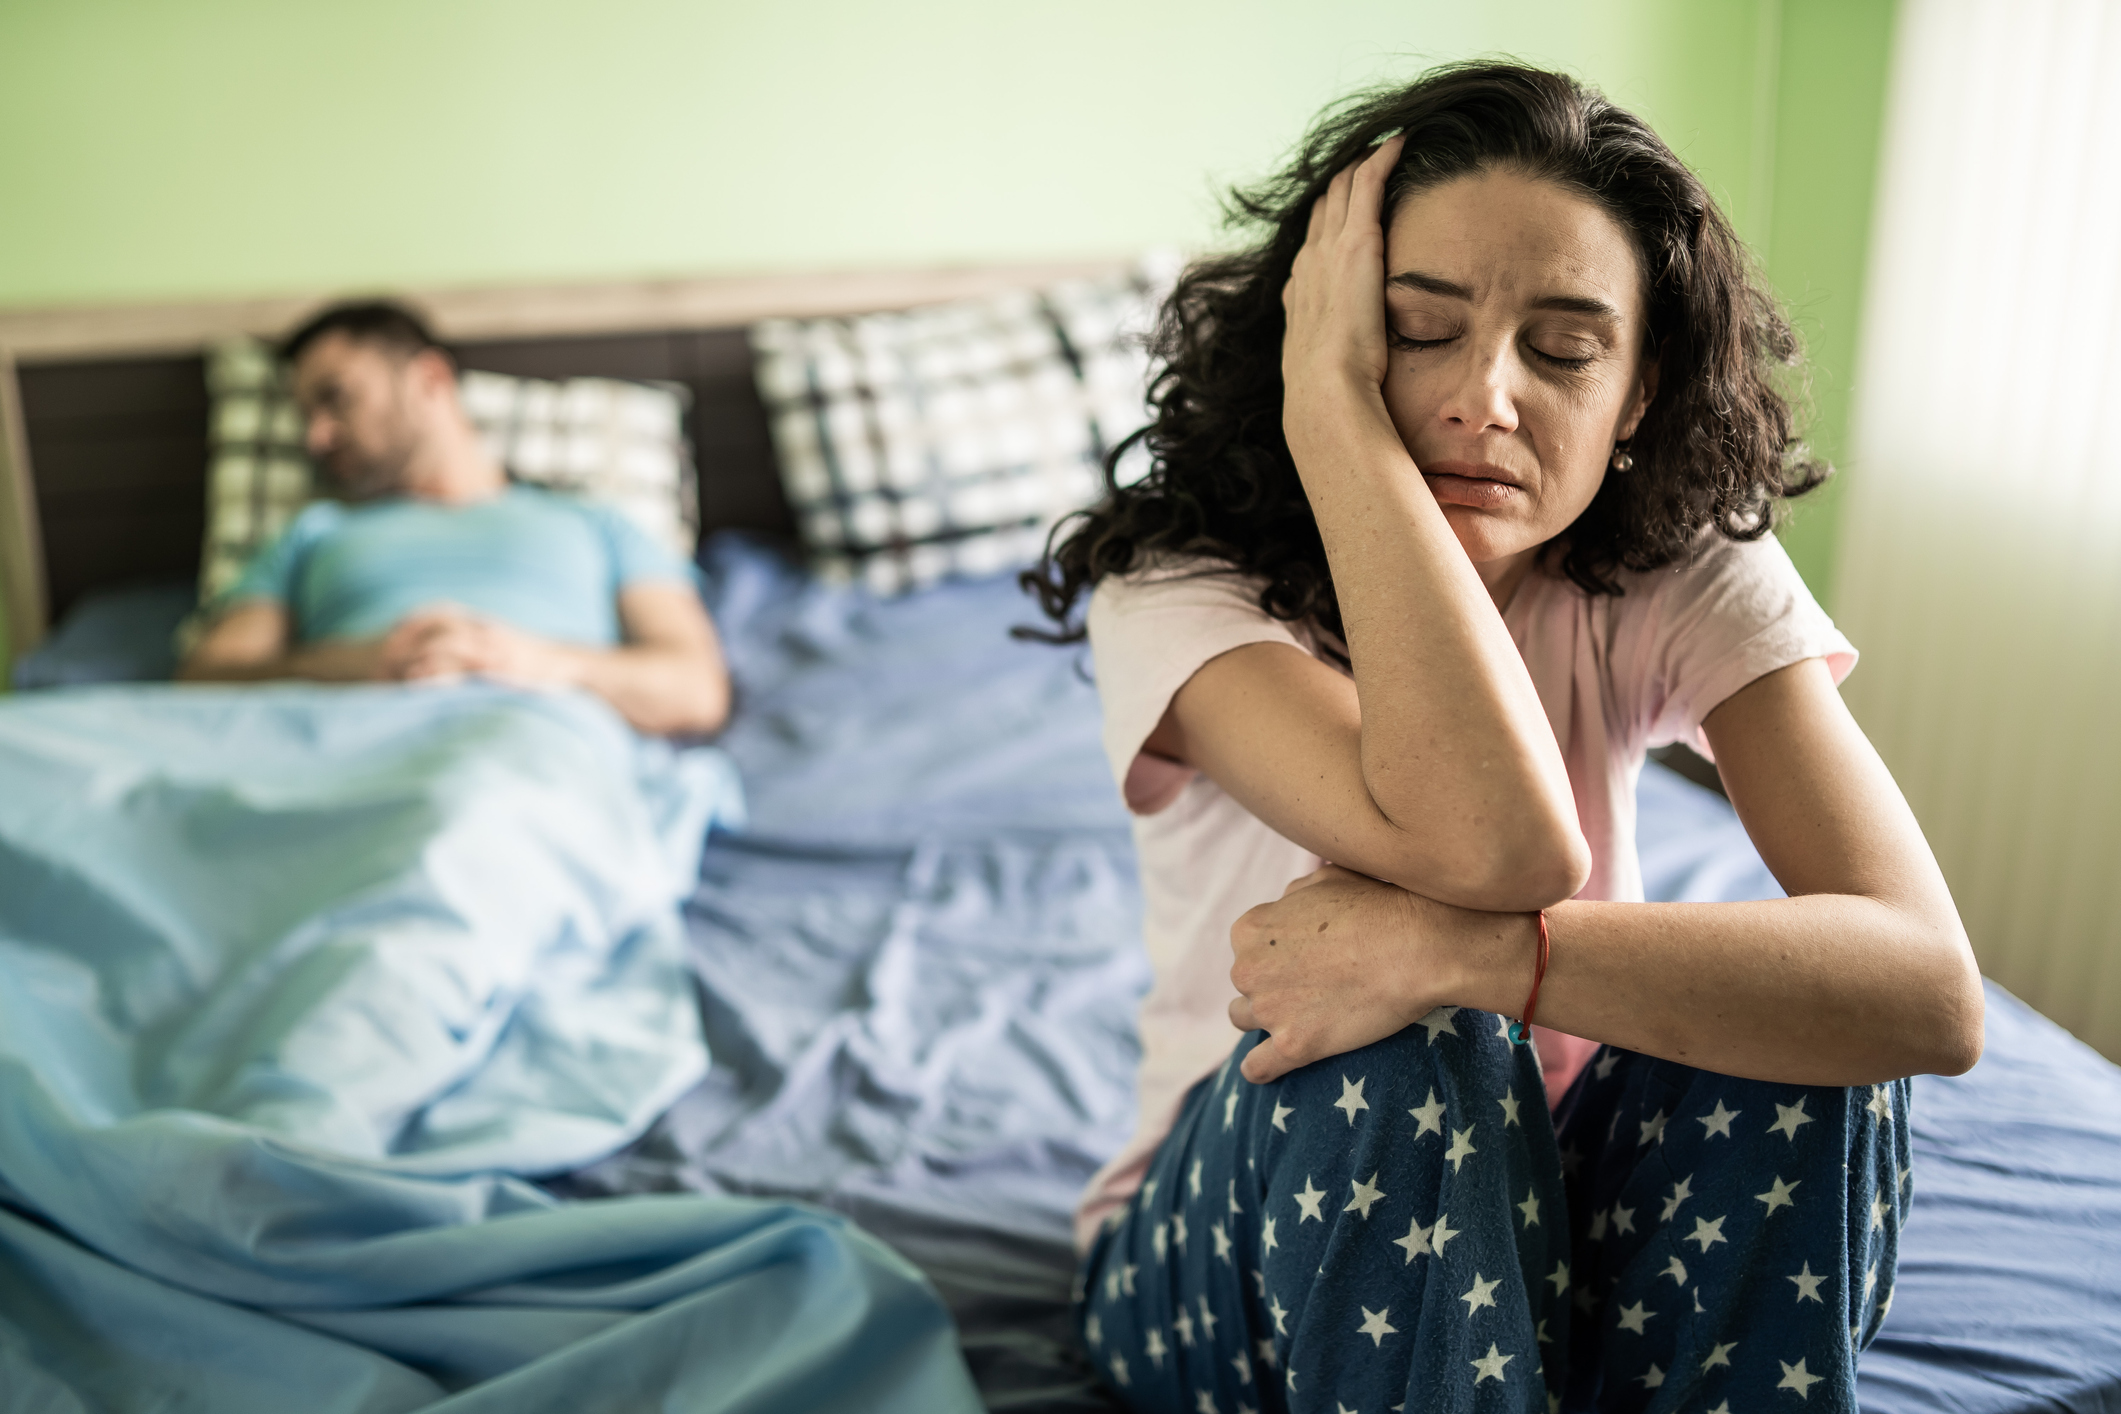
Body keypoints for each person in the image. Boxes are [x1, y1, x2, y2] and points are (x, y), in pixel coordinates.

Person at [1025, 63, 1982, 1414]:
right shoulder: (1185, 584)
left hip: (1567, 1214)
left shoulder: (1674, 570)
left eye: (1565, 349)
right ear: (1329, 337)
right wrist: (1337, 431)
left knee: (1802, 1043)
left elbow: (1927, 992)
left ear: (1638, 392)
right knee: (1399, 1029)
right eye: (1418, 330)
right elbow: (1496, 842)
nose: (1486, 397)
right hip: (1229, 1258)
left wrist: (1455, 950)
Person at [179, 302, 730, 737]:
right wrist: (353, 666)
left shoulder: (595, 523)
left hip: (530, 731)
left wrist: (534, 662)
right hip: (340, 737)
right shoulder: (313, 531)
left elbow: (696, 689)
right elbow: (204, 684)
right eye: (306, 416)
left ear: (430, 379)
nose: (315, 437)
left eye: (336, 398)